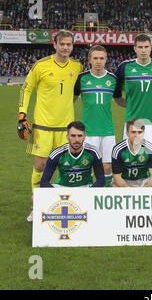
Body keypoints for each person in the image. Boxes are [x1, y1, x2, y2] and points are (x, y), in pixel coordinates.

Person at [18, 30, 83, 221]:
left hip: (66, 128)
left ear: (72, 46)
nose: (65, 47)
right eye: (62, 44)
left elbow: (77, 92)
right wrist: (22, 114)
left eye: (69, 44)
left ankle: (65, 205)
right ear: (54, 45)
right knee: (40, 164)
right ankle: (36, 205)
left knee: (66, 166)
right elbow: (26, 88)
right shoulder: (41, 65)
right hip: (43, 126)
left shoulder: (77, 67)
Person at [74, 45, 126, 187]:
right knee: (88, 164)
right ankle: (89, 192)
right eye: (95, 58)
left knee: (107, 165)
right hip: (89, 131)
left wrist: (134, 104)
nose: (98, 61)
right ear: (89, 59)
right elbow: (71, 99)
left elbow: (119, 100)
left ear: (106, 60)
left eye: (101, 58)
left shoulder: (113, 79)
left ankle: (103, 192)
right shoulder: (81, 78)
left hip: (107, 129)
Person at [114, 34, 152, 156]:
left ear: (151, 48)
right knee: (130, 157)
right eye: (140, 47)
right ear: (135, 48)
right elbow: (116, 91)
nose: (143, 50)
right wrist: (124, 103)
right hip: (131, 121)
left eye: (146, 47)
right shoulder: (124, 67)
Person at [40, 121, 105, 188]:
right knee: (37, 196)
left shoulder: (93, 152)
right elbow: (44, 182)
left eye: (80, 136)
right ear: (67, 136)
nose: (76, 140)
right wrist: (56, 194)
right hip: (63, 188)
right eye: (73, 136)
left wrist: (88, 193)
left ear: (84, 137)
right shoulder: (57, 154)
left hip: (85, 188)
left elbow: (101, 180)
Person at [111, 119, 152, 187]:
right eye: (133, 132)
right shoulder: (118, 150)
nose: (137, 135)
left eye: (140, 132)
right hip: (124, 180)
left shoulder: (151, 149)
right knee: (114, 187)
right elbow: (117, 176)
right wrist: (128, 189)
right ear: (127, 133)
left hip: (144, 180)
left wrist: (142, 189)